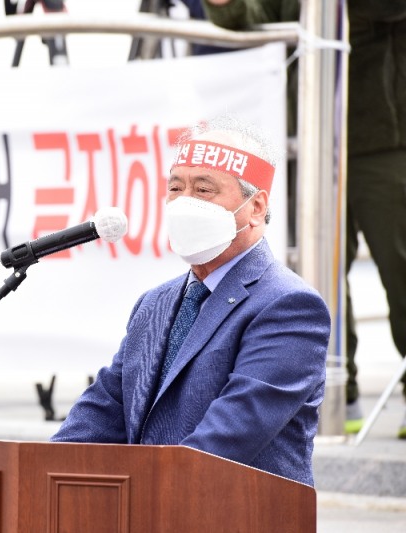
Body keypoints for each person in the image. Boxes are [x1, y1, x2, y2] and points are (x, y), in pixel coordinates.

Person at [51, 115, 331, 487]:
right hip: (151, 503)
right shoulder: (155, 303)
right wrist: (41, 471)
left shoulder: (288, 306)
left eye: (203, 189)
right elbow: (104, 409)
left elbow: (227, 438)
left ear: (256, 207)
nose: (184, 202)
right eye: (175, 187)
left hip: (232, 510)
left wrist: (139, 491)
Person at [201, 0, 406, 438]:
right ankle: (336, 395)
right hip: (311, 137)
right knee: (317, 272)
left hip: (388, 137)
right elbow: (255, 16)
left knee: (399, 266)